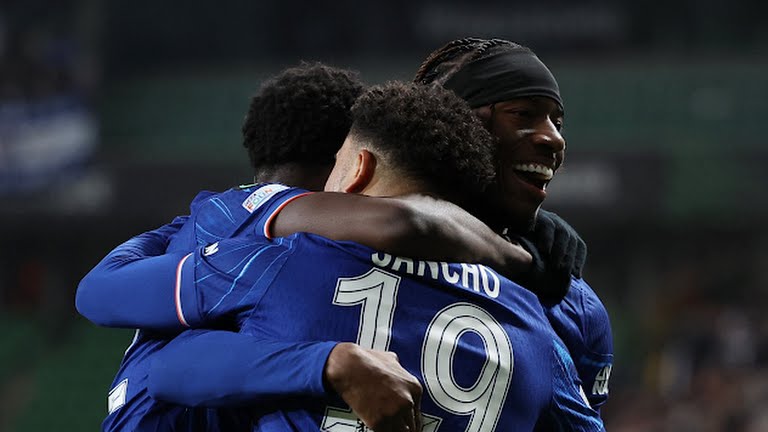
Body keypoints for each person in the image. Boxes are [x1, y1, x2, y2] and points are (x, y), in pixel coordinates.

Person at [77, 63, 558, 431]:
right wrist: (517, 256)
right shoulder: (536, 323)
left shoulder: (283, 257)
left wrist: (325, 364)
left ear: (358, 168)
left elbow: (155, 357)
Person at [413, 37, 613, 409]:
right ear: (456, 123)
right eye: (523, 114)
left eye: (557, 122)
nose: (555, 139)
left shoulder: (575, 307)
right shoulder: (342, 247)